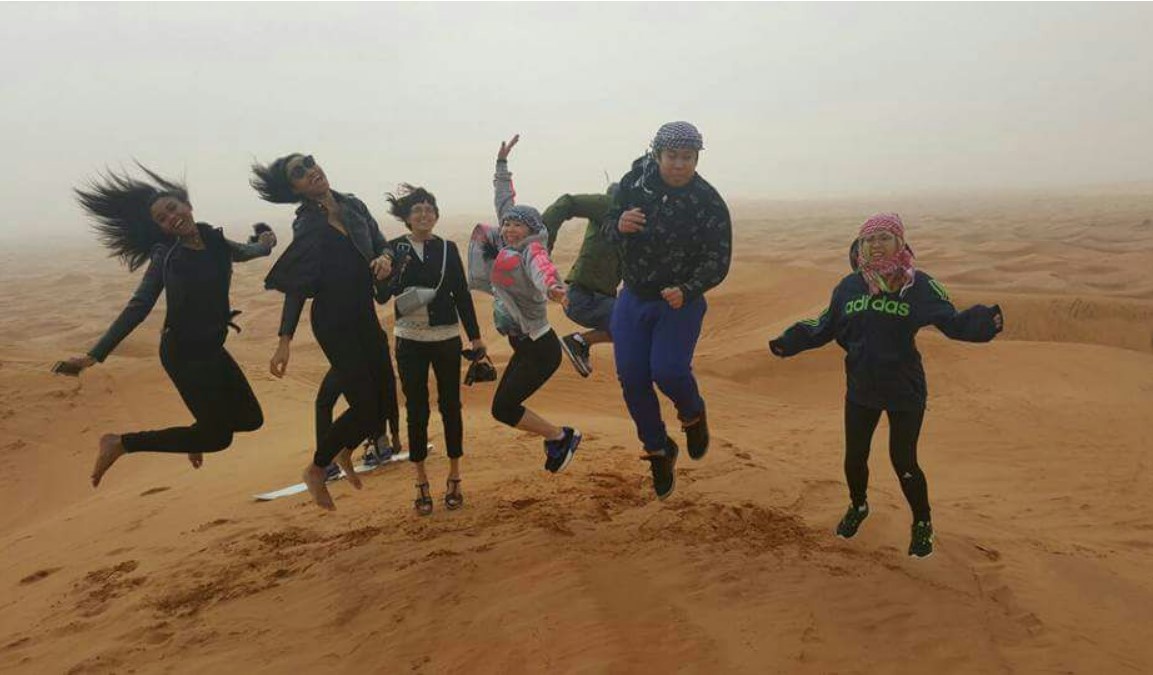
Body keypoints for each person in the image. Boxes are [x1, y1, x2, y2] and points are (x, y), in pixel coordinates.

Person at [768, 212, 1004, 559]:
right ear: (859, 247)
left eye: (884, 238)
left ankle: (922, 522)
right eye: (868, 240)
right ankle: (859, 506)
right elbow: (823, 325)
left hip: (904, 390)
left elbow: (952, 322)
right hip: (861, 388)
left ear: (899, 242)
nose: (875, 245)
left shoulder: (918, 285)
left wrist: (986, 322)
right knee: (854, 459)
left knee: (904, 461)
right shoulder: (849, 287)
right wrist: (788, 341)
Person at [59, 165, 275, 487]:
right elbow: (139, 306)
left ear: (187, 205)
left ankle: (195, 436)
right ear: (161, 227)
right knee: (219, 439)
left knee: (251, 419)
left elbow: (247, 251)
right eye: (162, 218)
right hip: (182, 353)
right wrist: (94, 355)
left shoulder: (215, 240)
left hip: (212, 348)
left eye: (172, 208)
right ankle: (120, 443)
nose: (171, 217)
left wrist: (265, 241)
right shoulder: (167, 256)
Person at [253, 153, 395, 510]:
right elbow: (298, 285)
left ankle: (346, 451)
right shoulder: (308, 225)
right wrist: (284, 341)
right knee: (364, 406)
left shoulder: (353, 205)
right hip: (333, 321)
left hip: (364, 314)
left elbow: (382, 243)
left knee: (384, 405)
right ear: (294, 189)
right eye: (298, 173)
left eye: (309, 163)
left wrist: (385, 259)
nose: (310, 171)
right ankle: (318, 468)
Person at [603, 121, 732, 500]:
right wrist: (620, 225)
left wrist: (689, 289)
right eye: (672, 156)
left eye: (687, 158)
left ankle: (693, 414)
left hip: (679, 301)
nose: (679, 164)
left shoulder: (708, 201)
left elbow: (718, 259)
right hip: (634, 297)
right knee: (632, 377)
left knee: (669, 371)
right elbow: (608, 226)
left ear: (696, 159)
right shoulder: (633, 185)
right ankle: (659, 449)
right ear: (657, 154)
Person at [467, 135, 582, 473]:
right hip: (524, 346)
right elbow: (504, 200)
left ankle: (560, 436)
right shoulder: (506, 242)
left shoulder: (532, 250)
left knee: (503, 408)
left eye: (518, 224)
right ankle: (557, 437)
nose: (509, 228)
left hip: (541, 349)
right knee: (502, 408)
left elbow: (542, 270)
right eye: (507, 223)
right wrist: (501, 164)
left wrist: (555, 290)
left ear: (531, 229)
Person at [378, 184, 485, 516]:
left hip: (447, 337)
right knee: (417, 409)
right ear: (407, 218)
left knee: (451, 406)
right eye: (417, 210)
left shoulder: (447, 249)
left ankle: (455, 477)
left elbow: (461, 295)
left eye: (429, 209)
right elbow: (382, 296)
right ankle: (421, 481)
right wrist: (389, 272)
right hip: (409, 339)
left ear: (436, 216)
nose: (424, 214)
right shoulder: (393, 249)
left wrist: (476, 337)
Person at [541, 184, 621, 378]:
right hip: (583, 298)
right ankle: (580, 342)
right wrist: (542, 244)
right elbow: (567, 202)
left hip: (597, 300)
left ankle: (580, 342)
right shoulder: (612, 205)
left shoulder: (639, 222)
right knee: (635, 321)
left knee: (638, 321)